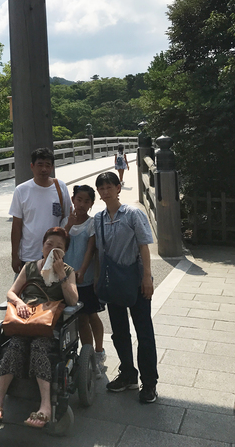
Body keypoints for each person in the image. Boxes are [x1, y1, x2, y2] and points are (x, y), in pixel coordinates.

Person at [0, 227, 78, 428]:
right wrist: (19, 303)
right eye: (49, 244)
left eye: (59, 247)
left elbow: (73, 300)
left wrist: (61, 275)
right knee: (14, 346)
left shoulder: (68, 271)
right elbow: (11, 292)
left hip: (49, 325)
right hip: (25, 320)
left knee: (39, 346)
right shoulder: (29, 267)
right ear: (42, 246)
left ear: (64, 252)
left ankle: (45, 406)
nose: (52, 249)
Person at [94, 171, 158, 404]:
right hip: (113, 282)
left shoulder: (132, 213)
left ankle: (149, 382)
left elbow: (144, 246)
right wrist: (98, 281)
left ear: (118, 188)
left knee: (144, 331)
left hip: (136, 279)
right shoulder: (98, 218)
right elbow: (99, 254)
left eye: (109, 186)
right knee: (119, 331)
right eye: (101, 188)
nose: (106, 191)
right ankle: (128, 373)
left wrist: (147, 277)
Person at [63, 184, 106, 375]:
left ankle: (95, 354)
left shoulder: (92, 223)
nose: (81, 204)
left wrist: (82, 270)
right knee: (82, 318)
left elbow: (90, 249)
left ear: (91, 204)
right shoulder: (65, 221)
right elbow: (59, 243)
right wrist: (68, 225)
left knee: (88, 316)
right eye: (78, 199)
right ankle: (91, 356)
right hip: (67, 280)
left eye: (86, 201)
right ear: (73, 200)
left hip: (84, 279)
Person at [9, 147, 71, 273]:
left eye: (48, 165)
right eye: (40, 165)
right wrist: (14, 255)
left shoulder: (60, 187)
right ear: (32, 166)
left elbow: (68, 219)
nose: (44, 169)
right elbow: (16, 226)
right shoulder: (21, 190)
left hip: (55, 254)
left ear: (52, 167)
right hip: (29, 254)